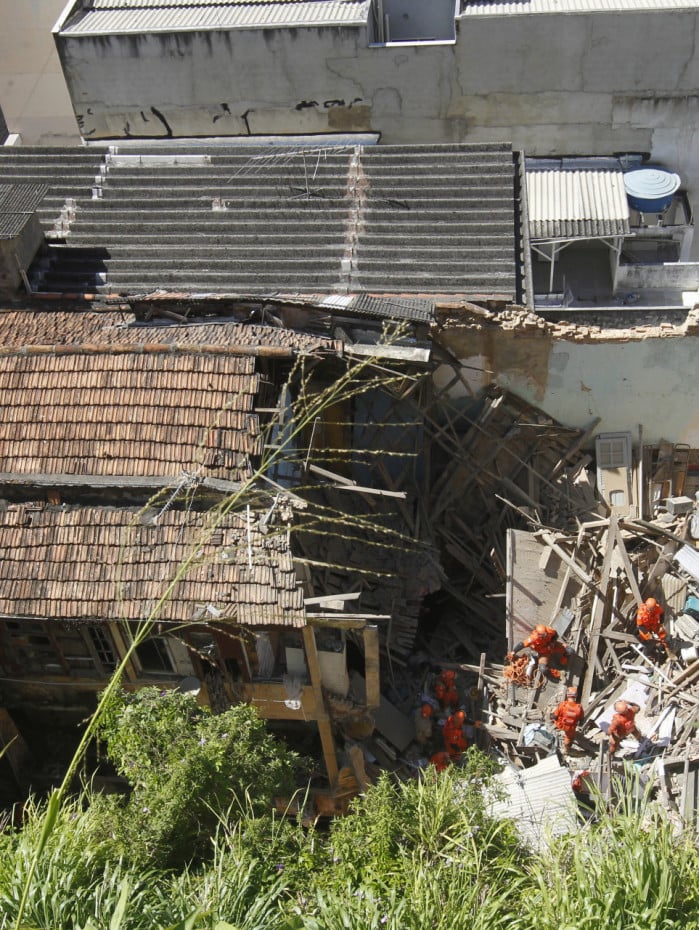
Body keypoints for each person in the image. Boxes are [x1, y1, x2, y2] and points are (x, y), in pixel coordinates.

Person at [506, 624, 572, 683]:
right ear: (538, 634)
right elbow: (522, 644)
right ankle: (559, 674)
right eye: (542, 635)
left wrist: (552, 642)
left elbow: (555, 635)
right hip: (543, 654)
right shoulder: (533, 638)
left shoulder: (549, 630)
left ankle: (565, 656)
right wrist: (513, 652)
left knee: (570, 650)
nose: (544, 636)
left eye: (545, 634)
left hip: (553, 647)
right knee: (543, 669)